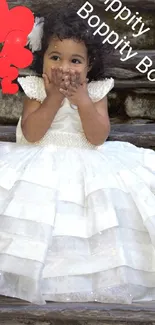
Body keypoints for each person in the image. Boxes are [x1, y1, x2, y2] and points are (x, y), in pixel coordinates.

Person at [0, 2, 155, 305]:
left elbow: (97, 137)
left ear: (88, 65)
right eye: (55, 57)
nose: (64, 67)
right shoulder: (36, 89)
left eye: (75, 60)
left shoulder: (95, 90)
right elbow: (31, 134)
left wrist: (82, 100)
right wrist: (53, 98)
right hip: (39, 160)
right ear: (41, 58)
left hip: (87, 162)